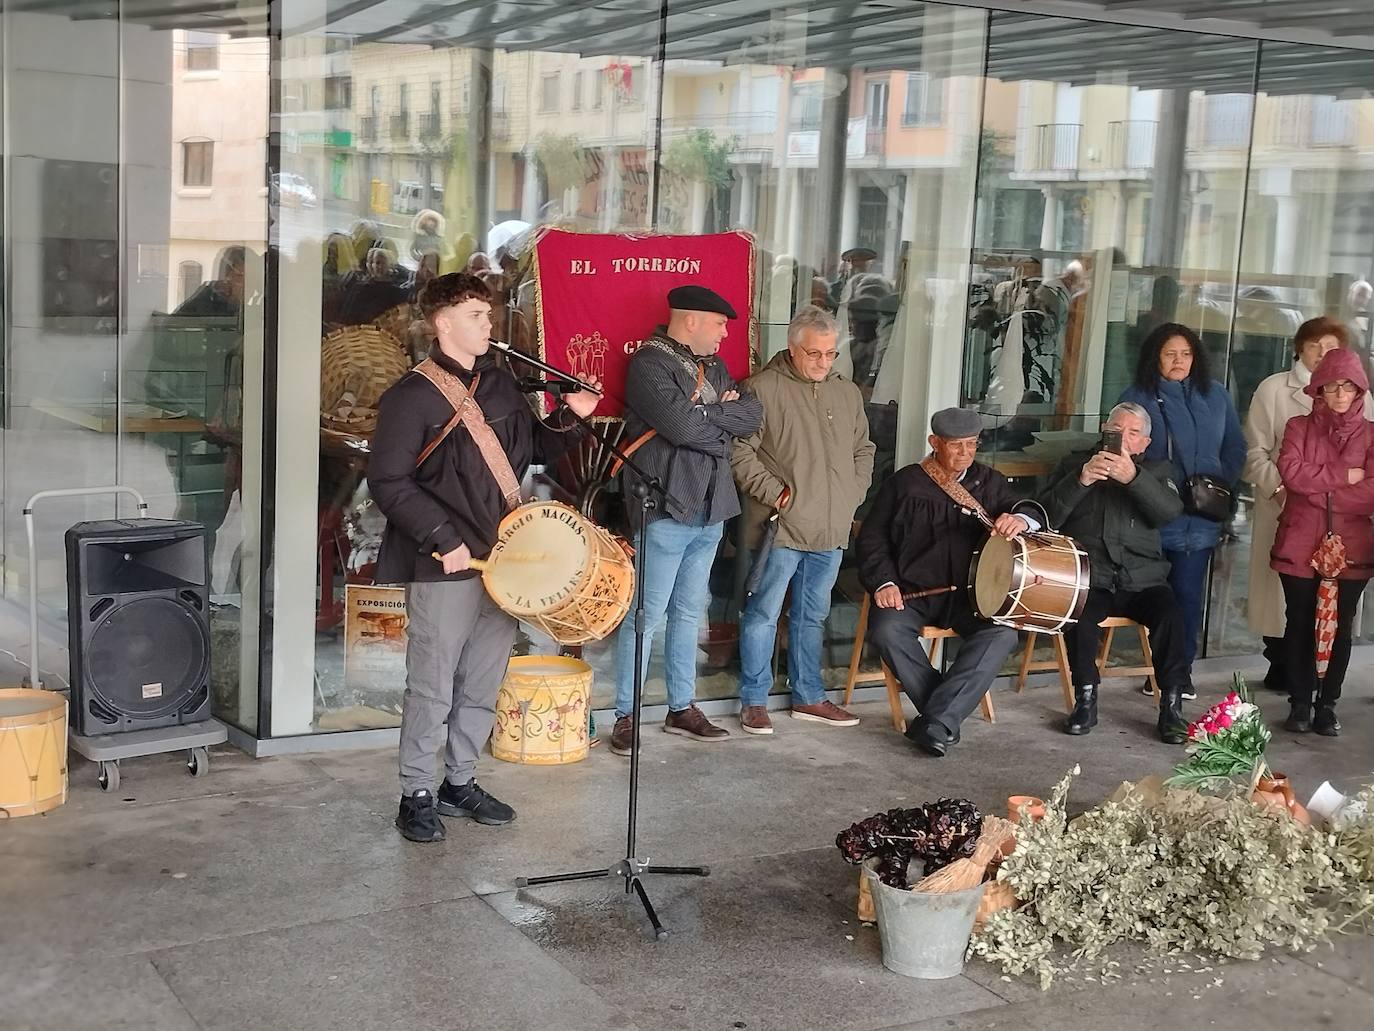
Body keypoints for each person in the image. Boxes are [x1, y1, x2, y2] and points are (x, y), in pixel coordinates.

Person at [367, 272, 600, 843]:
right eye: (475, 315)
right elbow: (389, 481)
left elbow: (536, 452)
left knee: (482, 679)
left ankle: (459, 781)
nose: (488, 324)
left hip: (504, 560)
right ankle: (416, 792)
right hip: (445, 561)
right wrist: (444, 538)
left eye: (487, 314)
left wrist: (575, 415)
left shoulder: (499, 385)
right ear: (442, 323)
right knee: (432, 684)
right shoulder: (410, 396)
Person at [607, 285, 763, 755]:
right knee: (645, 615)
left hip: (712, 507)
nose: (723, 336)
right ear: (691, 320)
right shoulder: (650, 364)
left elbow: (751, 415)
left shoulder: (712, 366)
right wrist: (719, 417)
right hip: (667, 503)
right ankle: (625, 713)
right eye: (719, 325)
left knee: (689, 614)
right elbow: (682, 428)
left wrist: (708, 415)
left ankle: (681, 706)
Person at [854, 407, 1043, 757]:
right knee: (886, 631)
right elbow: (872, 539)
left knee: (1002, 633)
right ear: (934, 443)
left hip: (972, 598)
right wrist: (884, 583)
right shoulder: (905, 483)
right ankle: (942, 718)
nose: (965, 453)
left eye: (972, 445)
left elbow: (1030, 511)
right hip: (913, 593)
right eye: (956, 445)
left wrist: (1019, 519)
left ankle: (936, 721)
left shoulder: (990, 482)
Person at [730, 305, 875, 735]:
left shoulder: (845, 393)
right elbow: (739, 450)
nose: (823, 362)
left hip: (831, 528)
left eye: (830, 354)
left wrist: (852, 495)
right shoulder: (760, 389)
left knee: (812, 617)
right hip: (782, 526)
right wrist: (778, 494)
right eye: (814, 353)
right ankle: (754, 702)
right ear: (792, 349)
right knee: (762, 614)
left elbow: (864, 449)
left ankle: (808, 697)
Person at [1037, 403, 1190, 743]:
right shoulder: (1075, 464)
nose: (1122, 439)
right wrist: (1081, 479)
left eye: (1132, 433)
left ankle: (1173, 705)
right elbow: (1045, 517)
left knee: (1171, 616)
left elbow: (1169, 512)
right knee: (1079, 616)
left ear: (1144, 443)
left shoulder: (1157, 469)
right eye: (1116, 430)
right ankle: (1086, 699)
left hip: (1143, 579)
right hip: (1093, 577)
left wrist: (1134, 479)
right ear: (1104, 430)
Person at [1120, 323, 1245, 699]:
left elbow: (1236, 446)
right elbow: (1125, 450)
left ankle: (1179, 671)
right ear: (1155, 356)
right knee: (1159, 597)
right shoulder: (1139, 396)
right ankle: (1158, 666)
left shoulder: (1217, 395)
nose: (1179, 361)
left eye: (1186, 354)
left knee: (1189, 595)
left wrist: (1219, 482)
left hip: (1202, 517)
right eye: (1170, 353)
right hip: (1154, 513)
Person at [1242, 317, 1351, 695]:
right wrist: (1281, 491)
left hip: (1339, 513)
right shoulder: (1274, 389)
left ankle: (1318, 679)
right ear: (1298, 349)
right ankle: (1281, 661)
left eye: (1331, 347)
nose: (1322, 354)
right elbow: (1254, 453)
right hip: (1284, 503)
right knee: (1285, 596)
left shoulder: (1358, 394)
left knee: (1331, 598)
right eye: (1313, 346)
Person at [1272, 348, 1374, 737]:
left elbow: (1370, 492)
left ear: (1359, 390)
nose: (1340, 396)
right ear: (1318, 391)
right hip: (1300, 539)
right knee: (1299, 622)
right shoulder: (1298, 426)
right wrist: (1343, 477)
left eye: (1347, 387)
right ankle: (1299, 703)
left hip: (1353, 545)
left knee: (1341, 626)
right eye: (1331, 388)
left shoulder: (1370, 434)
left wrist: (1318, 489)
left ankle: (1327, 704)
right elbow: (1291, 473)